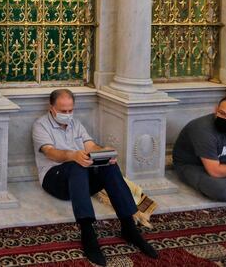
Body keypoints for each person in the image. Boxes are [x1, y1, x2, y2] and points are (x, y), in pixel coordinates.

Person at [33, 89, 157, 266]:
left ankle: (128, 227)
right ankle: (87, 233)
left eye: (70, 110)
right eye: (63, 111)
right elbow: (51, 153)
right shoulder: (40, 125)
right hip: (55, 179)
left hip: (79, 180)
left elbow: (90, 146)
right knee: (77, 164)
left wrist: (104, 152)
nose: (67, 115)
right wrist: (73, 155)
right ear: (51, 108)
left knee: (109, 165)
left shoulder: (76, 124)